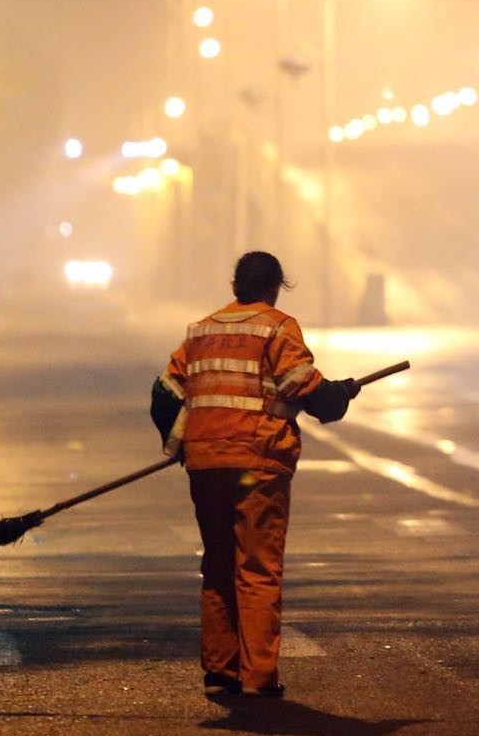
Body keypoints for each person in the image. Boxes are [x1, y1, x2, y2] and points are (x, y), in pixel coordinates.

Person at [150, 251, 359, 698]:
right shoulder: (278, 327)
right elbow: (303, 386)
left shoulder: (202, 330)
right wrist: (339, 394)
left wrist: (180, 444)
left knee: (219, 564)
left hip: (207, 466)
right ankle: (259, 677)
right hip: (257, 465)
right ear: (273, 288)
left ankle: (220, 671)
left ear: (235, 287)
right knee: (258, 567)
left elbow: (165, 393)